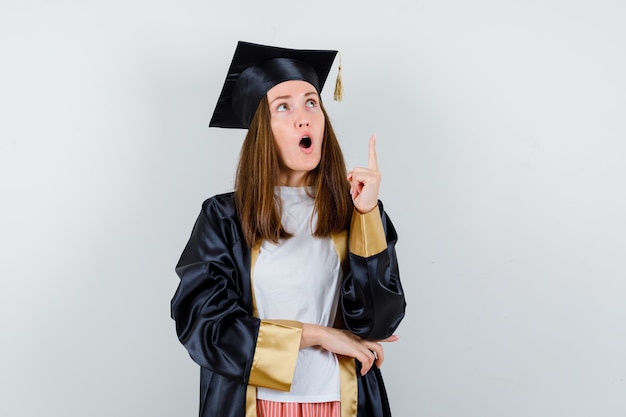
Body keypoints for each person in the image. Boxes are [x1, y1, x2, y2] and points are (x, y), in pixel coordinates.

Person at [171, 41, 406, 417]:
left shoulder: (354, 212)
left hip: (341, 401)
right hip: (253, 404)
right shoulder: (224, 217)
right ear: (262, 130)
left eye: (312, 102)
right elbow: (206, 327)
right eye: (284, 106)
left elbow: (378, 322)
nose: (305, 117)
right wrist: (318, 334)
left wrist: (367, 214)